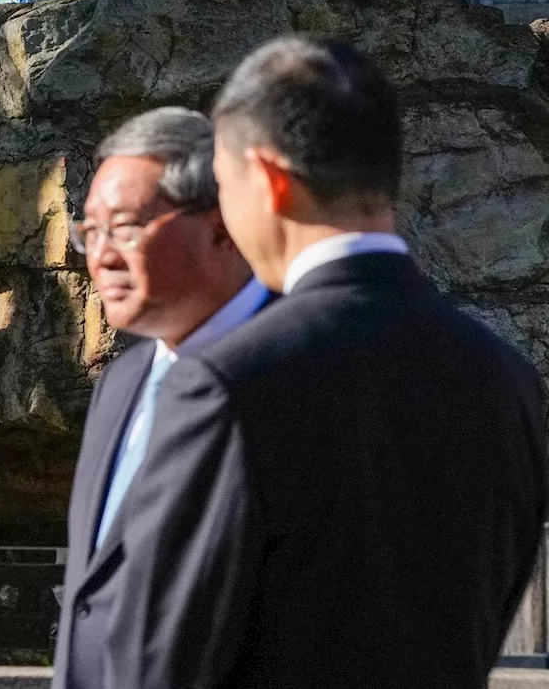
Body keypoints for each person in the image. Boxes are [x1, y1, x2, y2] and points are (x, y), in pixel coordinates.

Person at [110, 35, 548, 687]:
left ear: (268, 180)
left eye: (226, 187)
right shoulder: (507, 378)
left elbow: (156, 660)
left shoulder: (224, 381)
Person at [52, 107, 271, 689]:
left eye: (124, 227)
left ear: (221, 226)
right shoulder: (119, 387)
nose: (100, 254)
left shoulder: (294, 384)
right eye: (88, 231)